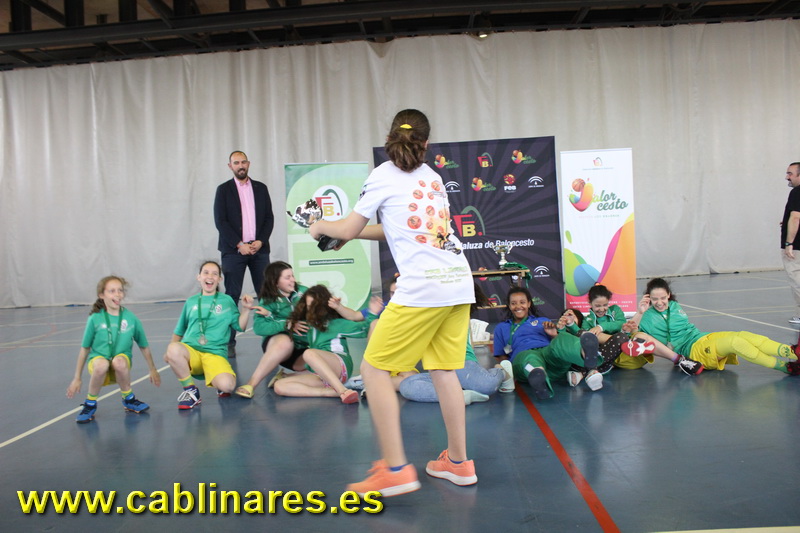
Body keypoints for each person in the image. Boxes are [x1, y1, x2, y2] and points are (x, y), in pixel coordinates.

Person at [309, 109, 477, 496]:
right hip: (456, 282)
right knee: (444, 370)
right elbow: (397, 227)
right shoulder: (432, 177)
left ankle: (396, 468)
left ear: (389, 139)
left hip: (423, 287)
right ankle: (458, 462)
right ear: (426, 143)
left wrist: (320, 226)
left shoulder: (382, 174)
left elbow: (346, 225)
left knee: (373, 370)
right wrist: (351, 235)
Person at [631, 278, 800, 375]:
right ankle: (786, 367)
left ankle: (792, 352)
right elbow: (636, 336)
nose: (660, 302)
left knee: (743, 335)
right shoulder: (646, 317)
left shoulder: (674, 305)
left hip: (701, 337)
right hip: (693, 352)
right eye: (655, 299)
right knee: (735, 343)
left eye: (663, 298)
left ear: (668, 294)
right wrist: (640, 312)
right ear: (648, 298)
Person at [398, 284, 514, 404]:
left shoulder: (455, 312)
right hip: (438, 368)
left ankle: (502, 371)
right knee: (407, 385)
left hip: (461, 364)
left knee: (486, 386)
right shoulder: (428, 310)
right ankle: (461, 394)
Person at [66, 276, 160, 423]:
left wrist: (152, 369)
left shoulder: (131, 318)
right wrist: (77, 378)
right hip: (98, 361)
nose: (117, 294)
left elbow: (144, 346)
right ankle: (90, 404)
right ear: (101, 295)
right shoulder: (95, 319)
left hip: (121, 362)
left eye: (120, 290)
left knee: (119, 362)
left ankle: (128, 399)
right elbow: (84, 349)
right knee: (101, 364)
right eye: (112, 291)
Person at [163, 261, 253, 409]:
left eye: (214, 274)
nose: (210, 276)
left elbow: (240, 327)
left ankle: (218, 380)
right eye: (206, 272)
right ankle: (191, 391)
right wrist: (169, 353)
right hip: (192, 352)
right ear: (199, 277)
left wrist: (246, 310)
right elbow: (179, 330)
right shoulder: (191, 302)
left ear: (219, 279)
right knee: (173, 349)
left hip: (215, 354)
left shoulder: (227, 301)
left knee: (228, 386)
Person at [563, 285, 703, 376]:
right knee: (592, 335)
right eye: (597, 306)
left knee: (638, 335)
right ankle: (631, 345)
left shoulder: (615, 310)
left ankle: (679, 360)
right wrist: (572, 325)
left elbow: (620, 323)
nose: (601, 309)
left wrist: (601, 327)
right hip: (612, 353)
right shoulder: (588, 320)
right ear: (590, 304)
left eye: (605, 305)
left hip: (627, 348)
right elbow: (584, 337)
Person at [214, 150, 274, 357]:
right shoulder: (223, 190)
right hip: (233, 251)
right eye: (236, 162)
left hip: (259, 249)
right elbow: (220, 221)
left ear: (248, 164)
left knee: (266, 295)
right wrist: (239, 244)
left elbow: (269, 218)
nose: (240, 166)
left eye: (243, 162)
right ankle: (229, 342)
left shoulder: (261, 188)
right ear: (230, 166)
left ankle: (271, 339)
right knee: (232, 296)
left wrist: (260, 241)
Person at [494, 287, 603, 399]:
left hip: (549, 356)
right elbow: (501, 357)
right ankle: (539, 378)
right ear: (509, 305)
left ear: (529, 303)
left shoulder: (543, 321)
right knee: (529, 358)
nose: (518, 306)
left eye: (522, 302)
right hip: (523, 358)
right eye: (513, 303)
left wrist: (553, 334)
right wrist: (508, 374)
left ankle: (585, 353)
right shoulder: (501, 328)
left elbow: (557, 345)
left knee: (560, 339)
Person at [273, 285, 377, 403]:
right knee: (279, 386)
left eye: (315, 306)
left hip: (340, 365)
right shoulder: (308, 326)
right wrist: (285, 323)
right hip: (321, 374)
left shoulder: (336, 323)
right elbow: (264, 329)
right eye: (309, 306)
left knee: (308, 354)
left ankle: (342, 391)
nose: (312, 310)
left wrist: (372, 313)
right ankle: (329, 392)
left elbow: (365, 329)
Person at [235, 261, 310, 399]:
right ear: (276, 282)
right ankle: (251, 385)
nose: (292, 280)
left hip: (304, 347)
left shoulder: (304, 292)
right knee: (284, 342)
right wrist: (287, 324)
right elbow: (259, 328)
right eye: (287, 277)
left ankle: (286, 377)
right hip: (280, 347)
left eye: (292, 276)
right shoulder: (268, 300)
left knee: (327, 368)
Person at [781, 162, 800, 324]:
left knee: (797, 279)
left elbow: (795, 217)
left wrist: (789, 244)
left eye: (790, 174)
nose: (787, 177)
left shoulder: (797, 192)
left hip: (796, 247)